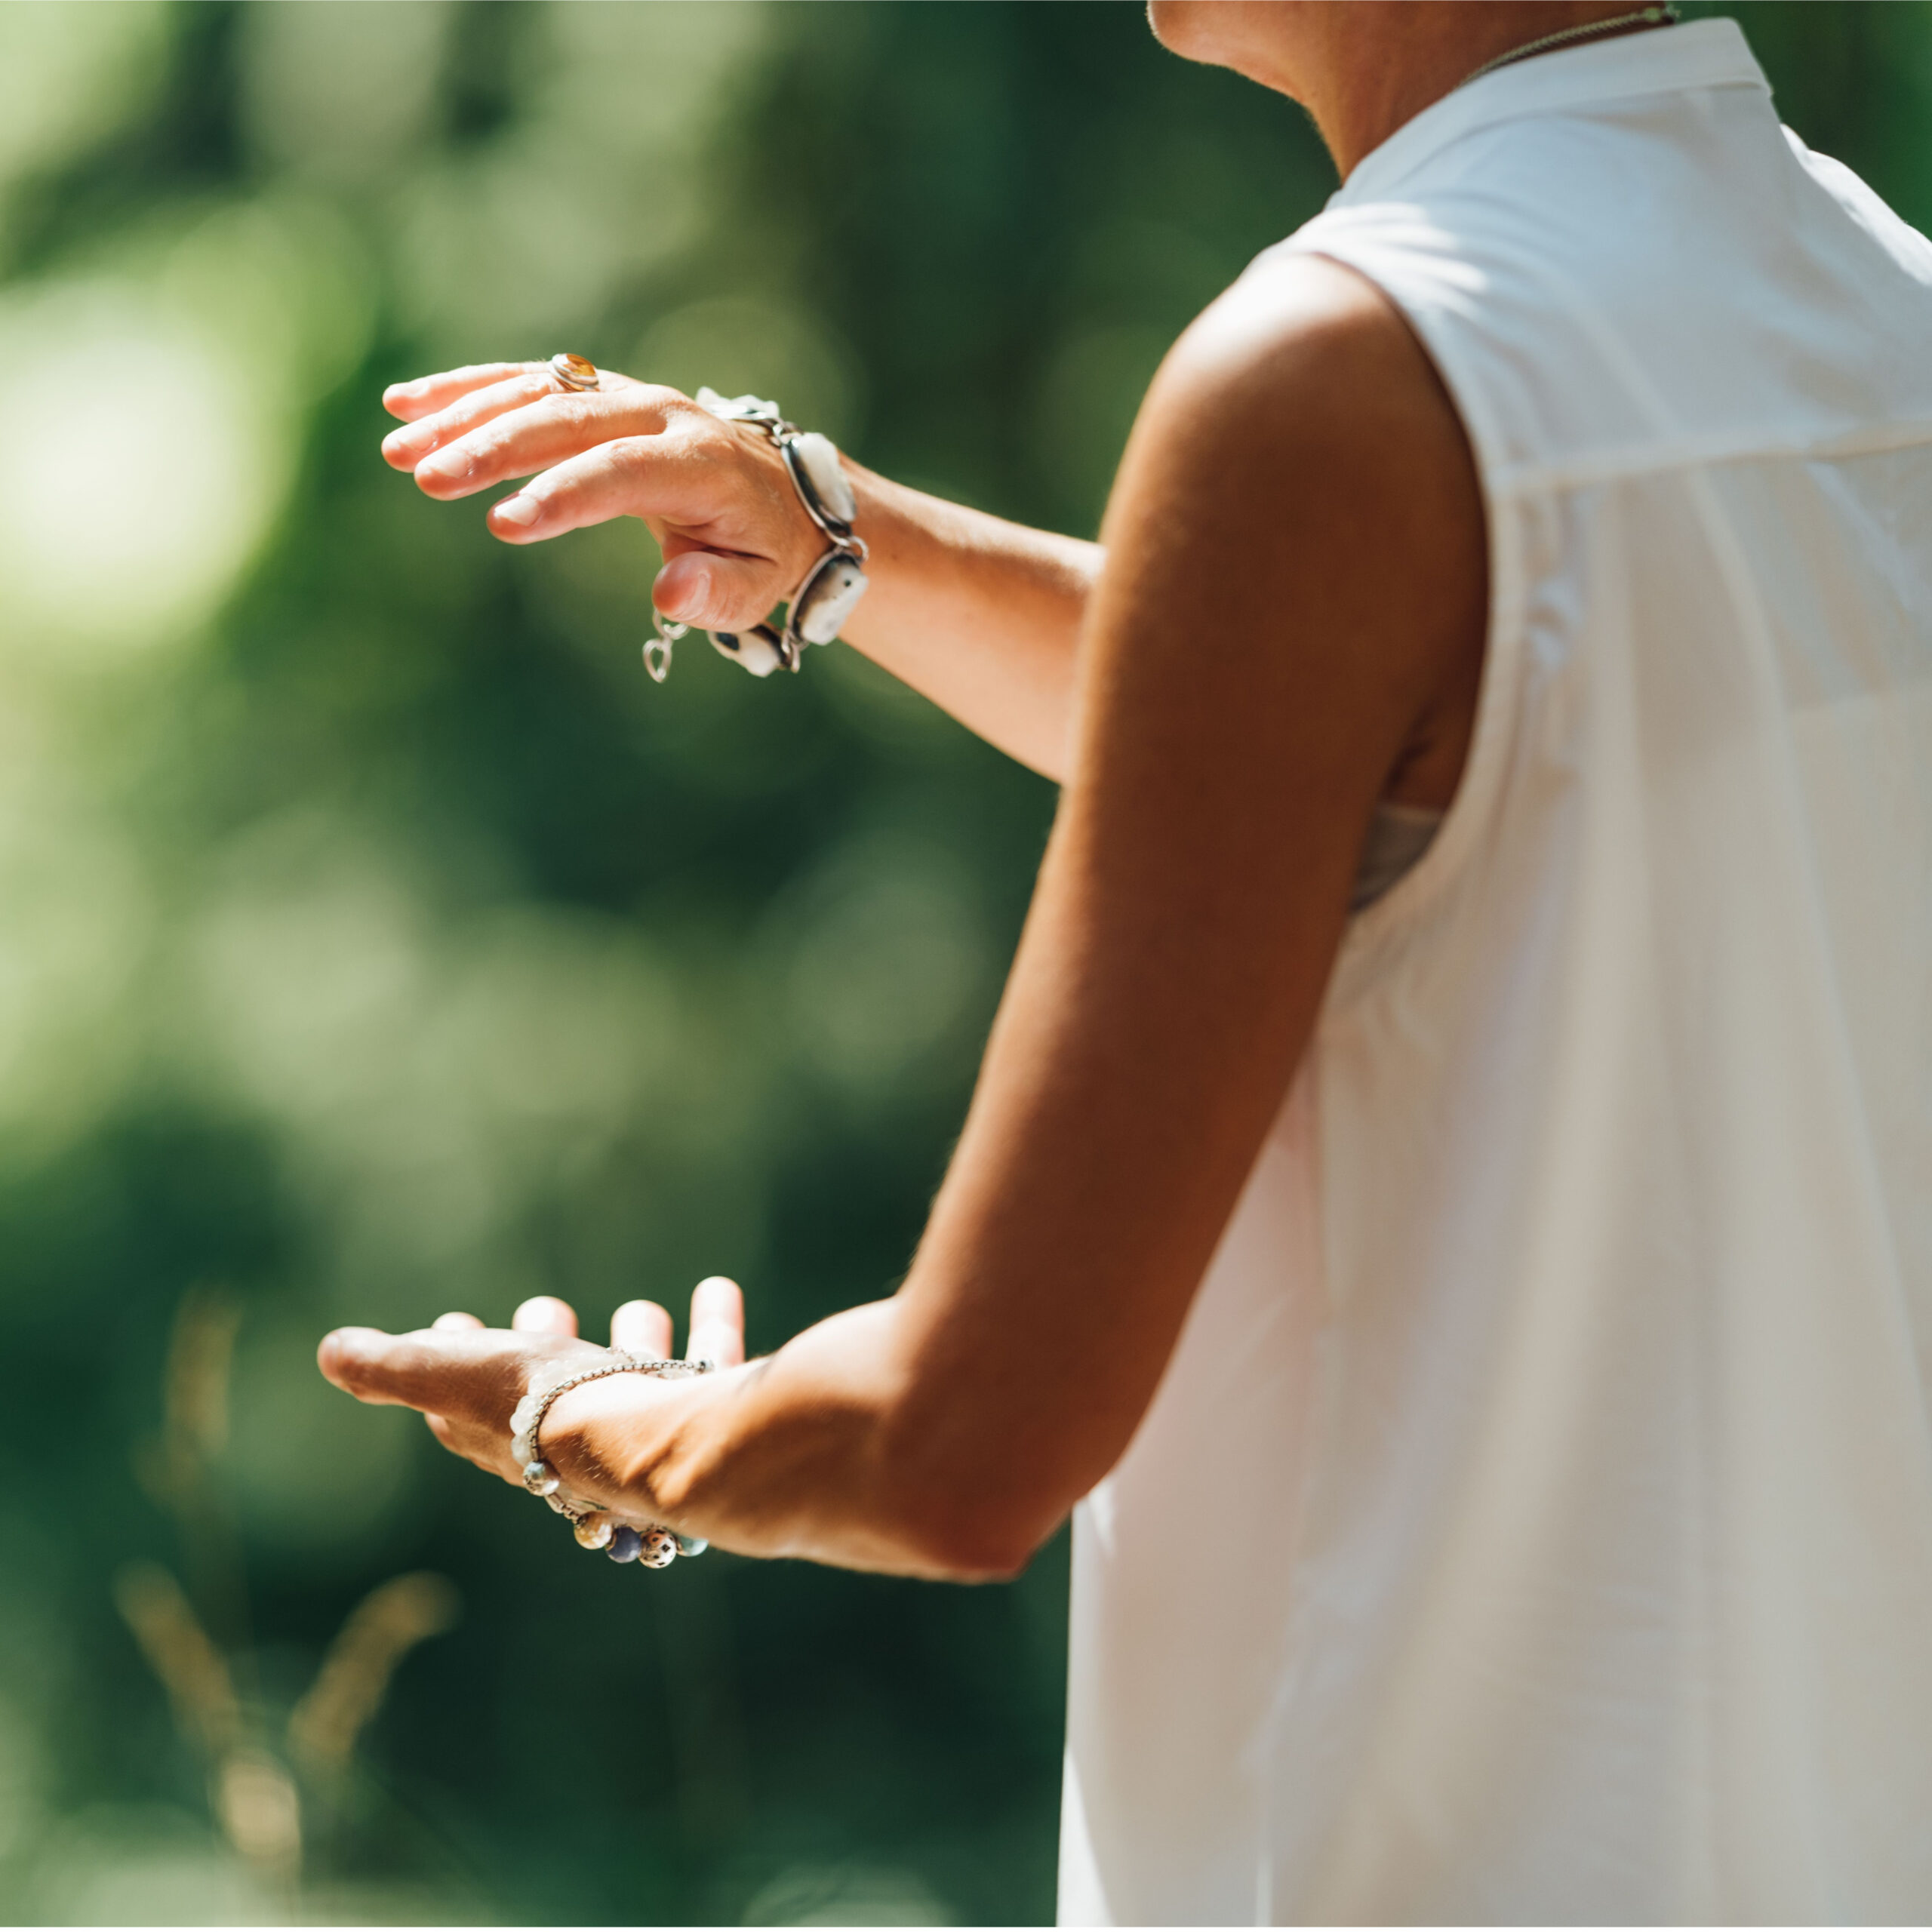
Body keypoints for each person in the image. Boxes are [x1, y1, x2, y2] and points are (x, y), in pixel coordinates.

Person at [319, 2, 1932, 1918]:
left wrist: (580, 1416)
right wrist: (844, 536)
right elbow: (1422, 724)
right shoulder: (1865, 299)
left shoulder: (1341, 366)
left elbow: (952, 1442)